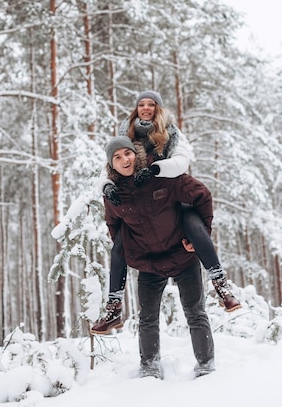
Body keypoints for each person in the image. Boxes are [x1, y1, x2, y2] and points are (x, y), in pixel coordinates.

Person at [91, 90, 241, 335]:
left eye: (151, 104)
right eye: (142, 104)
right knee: (119, 244)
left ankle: (221, 285)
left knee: (194, 225)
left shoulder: (171, 132)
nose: (146, 108)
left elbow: (182, 162)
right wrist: (106, 186)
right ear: (136, 108)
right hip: (141, 198)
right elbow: (111, 162)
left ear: (158, 109)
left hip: (172, 193)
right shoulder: (125, 133)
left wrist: (156, 170)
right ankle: (114, 306)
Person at [101, 136, 217, 378]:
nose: (125, 160)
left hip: (182, 256)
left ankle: (206, 365)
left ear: (136, 154)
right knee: (147, 317)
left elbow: (202, 195)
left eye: (128, 153)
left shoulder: (161, 177)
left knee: (195, 312)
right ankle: (149, 366)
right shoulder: (114, 195)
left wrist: (201, 234)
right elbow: (114, 225)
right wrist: (132, 248)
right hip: (149, 263)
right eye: (117, 157)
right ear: (112, 164)